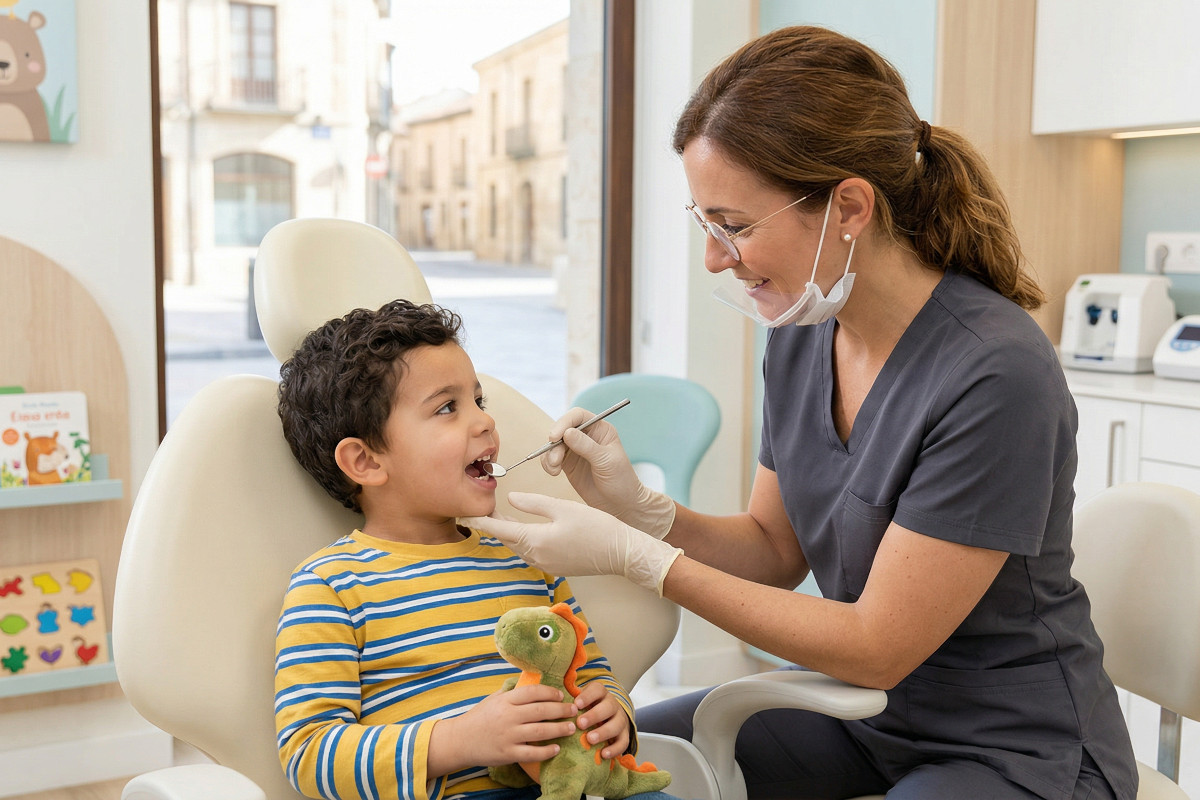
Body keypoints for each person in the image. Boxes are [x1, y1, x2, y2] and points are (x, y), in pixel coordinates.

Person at [463, 25, 1139, 800]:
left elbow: (878, 646)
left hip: (1012, 746)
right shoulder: (802, 336)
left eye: (736, 225)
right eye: (705, 223)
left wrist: (636, 558)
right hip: (862, 715)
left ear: (850, 206)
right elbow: (772, 551)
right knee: (592, 766)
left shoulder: (995, 372)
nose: (717, 257)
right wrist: (645, 513)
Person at [273, 300, 672, 800]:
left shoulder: (527, 557)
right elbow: (310, 755)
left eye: (479, 400)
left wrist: (613, 715)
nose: (485, 422)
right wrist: (461, 741)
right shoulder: (331, 585)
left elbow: (588, 673)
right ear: (366, 461)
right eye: (447, 407)